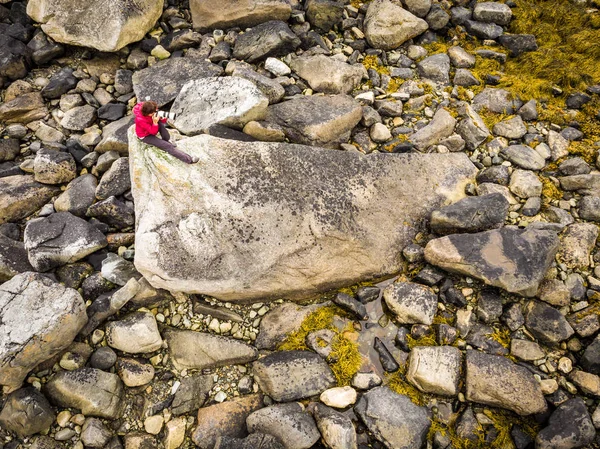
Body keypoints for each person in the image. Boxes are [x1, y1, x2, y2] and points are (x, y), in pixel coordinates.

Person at [133, 100, 198, 164]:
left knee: (165, 134)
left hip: (152, 125)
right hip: (145, 135)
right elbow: (153, 132)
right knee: (167, 146)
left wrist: (162, 117)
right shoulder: (140, 120)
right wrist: (155, 122)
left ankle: (167, 140)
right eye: (153, 113)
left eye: (155, 111)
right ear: (148, 114)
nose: (155, 113)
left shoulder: (149, 106)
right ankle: (189, 159)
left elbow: (163, 121)